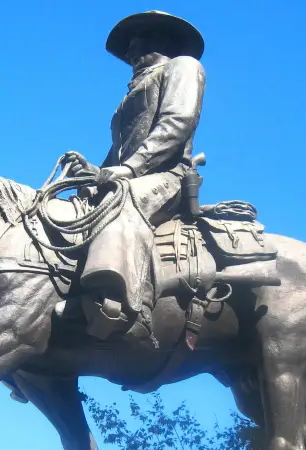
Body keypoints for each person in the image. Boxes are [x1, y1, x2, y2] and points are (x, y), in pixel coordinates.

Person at [68, 10, 206, 345]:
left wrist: (127, 171)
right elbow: (118, 152)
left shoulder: (183, 67)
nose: (129, 52)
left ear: (160, 39)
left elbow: (176, 124)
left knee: (121, 202)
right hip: (129, 175)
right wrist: (93, 175)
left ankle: (132, 309)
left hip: (166, 176)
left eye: (135, 42)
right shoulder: (128, 98)